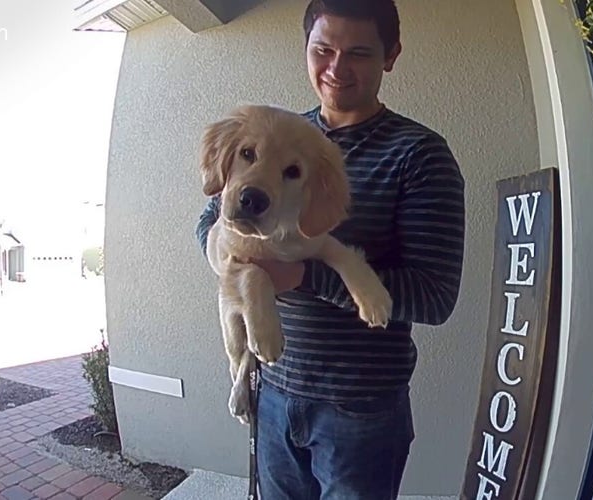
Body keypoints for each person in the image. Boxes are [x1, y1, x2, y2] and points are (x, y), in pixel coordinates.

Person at [196, 1, 466, 498]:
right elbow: (209, 225)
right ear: (306, 49)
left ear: (391, 55)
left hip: (359, 412)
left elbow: (434, 296)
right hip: (273, 392)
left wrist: (298, 277)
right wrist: (241, 263)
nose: (337, 69)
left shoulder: (419, 155)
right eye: (323, 50)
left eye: (359, 53)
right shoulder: (276, 133)